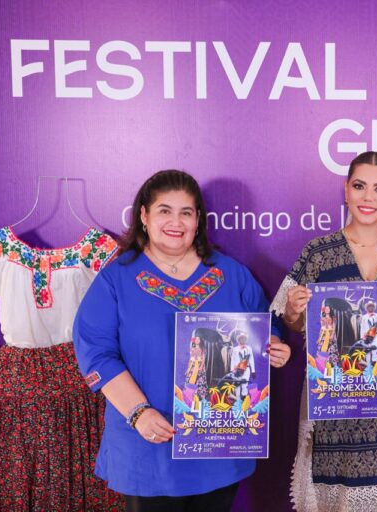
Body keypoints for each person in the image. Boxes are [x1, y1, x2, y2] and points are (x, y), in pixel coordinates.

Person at [73, 170, 291, 512]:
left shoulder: (231, 274)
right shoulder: (116, 279)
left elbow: (265, 324)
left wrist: (274, 345)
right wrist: (138, 413)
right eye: (165, 210)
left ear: (198, 219)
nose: (176, 222)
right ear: (144, 216)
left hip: (219, 446)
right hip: (149, 446)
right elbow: (96, 353)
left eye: (186, 212)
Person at [271, 151, 377, 511]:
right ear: (346, 189)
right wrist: (295, 310)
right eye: (359, 186)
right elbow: (294, 322)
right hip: (336, 404)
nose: (367, 197)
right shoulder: (318, 252)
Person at [0, 218, 122, 512]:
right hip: (23, 382)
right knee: (18, 465)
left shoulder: (98, 253)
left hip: (72, 378)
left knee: (78, 462)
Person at [359, 300, 377, 365]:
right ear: (367, 308)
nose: (370, 307)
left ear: (374, 307)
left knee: (374, 351)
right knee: (367, 352)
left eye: (372, 306)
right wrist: (362, 338)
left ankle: (374, 366)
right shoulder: (364, 317)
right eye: (369, 306)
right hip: (367, 337)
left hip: (376, 336)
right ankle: (368, 366)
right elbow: (362, 328)